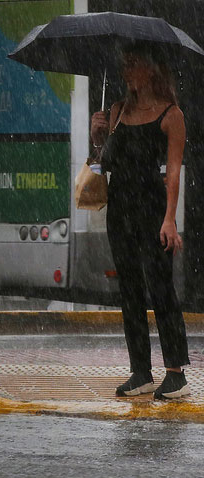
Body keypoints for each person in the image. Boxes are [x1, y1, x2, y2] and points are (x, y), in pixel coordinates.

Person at [89, 43, 190, 400]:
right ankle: (140, 371)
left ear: (150, 69)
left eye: (132, 64)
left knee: (161, 289)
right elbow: (103, 161)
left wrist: (170, 219)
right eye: (124, 65)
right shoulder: (116, 112)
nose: (126, 71)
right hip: (120, 211)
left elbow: (174, 172)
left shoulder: (170, 114)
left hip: (151, 207)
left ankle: (175, 373)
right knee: (129, 291)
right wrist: (98, 136)